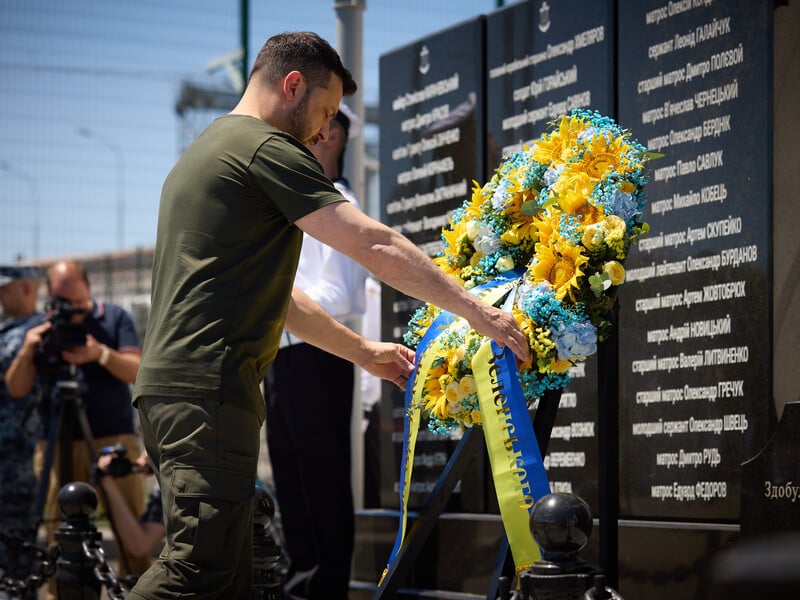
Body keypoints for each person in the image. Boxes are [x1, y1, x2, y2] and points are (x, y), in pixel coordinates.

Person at [130, 31, 529, 600]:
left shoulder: (206, 152)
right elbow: (374, 245)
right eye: (322, 111)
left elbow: (282, 300)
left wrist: (364, 353)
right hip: (207, 394)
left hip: (178, 392)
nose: (323, 131)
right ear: (291, 85)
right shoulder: (265, 147)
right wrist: (477, 310)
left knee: (225, 580)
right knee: (195, 574)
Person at [263, 104, 369, 597]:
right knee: (290, 475)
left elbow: (345, 295)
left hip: (319, 353)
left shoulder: (339, 202)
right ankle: (301, 581)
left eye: (317, 130)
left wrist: (285, 306)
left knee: (322, 479)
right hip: (282, 354)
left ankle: (325, 588)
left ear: (333, 137)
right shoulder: (297, 203)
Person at [5, 259, 149, 583]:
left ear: (89, 286)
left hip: (113, 442)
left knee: (132, 537)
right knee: (59, 536)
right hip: (56, 442)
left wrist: (100, 354)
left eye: (75, 300)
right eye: (62, 301)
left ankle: (139, 590)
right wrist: (29, 349)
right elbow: (17, 387)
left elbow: (137, 370)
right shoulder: (42, 328)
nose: (70, 310)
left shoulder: (114, 318)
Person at [0, 264, 44, 593]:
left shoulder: (40, 330)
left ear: (27, 290)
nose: (0, 295)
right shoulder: (7, 331)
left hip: (18, 456)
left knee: (16, 548)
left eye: (6, 288)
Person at [93, 449, 164, 561]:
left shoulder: (174, 481)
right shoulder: (165, 485)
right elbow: (140, 545)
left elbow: (140, 546)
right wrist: (108, 484)